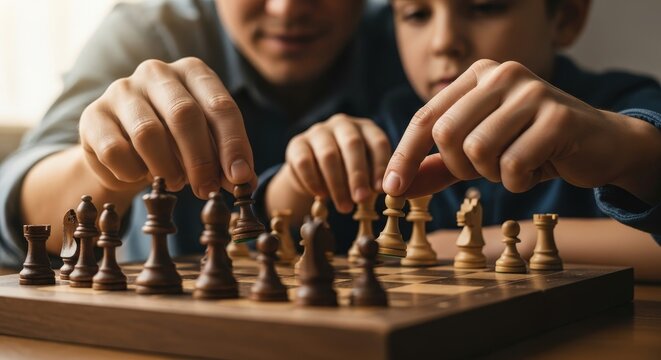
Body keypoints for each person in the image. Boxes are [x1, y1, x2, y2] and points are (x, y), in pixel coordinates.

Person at [265, 0, 661, 280]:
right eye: (417, 13)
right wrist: (297, 180)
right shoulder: (388, 127)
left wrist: (488, 244)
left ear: (566, 17)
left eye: (484, 7)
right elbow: (278, 232)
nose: (443, 41)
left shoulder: (618, 109)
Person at [0, 0, 407, 267]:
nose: (286, 9)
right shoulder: (149, 29)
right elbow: (18, 204)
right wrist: (106, 166)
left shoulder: (417, 28)